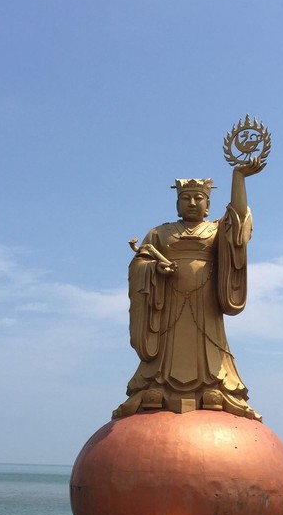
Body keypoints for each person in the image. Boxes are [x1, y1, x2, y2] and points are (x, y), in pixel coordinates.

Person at [113, 159, 264, 421]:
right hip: (167, 302)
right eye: (186, 199)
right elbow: (142, 260)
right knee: (166, 344)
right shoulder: (160, 232)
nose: (192, 203)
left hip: (206, 302)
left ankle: (211, 385)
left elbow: (238, 224)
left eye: (198, 198)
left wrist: (238, 177)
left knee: (208, 341)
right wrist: (153, 271)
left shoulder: (216, 229)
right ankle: (158, 384)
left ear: (208, 205)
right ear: (177, 203)